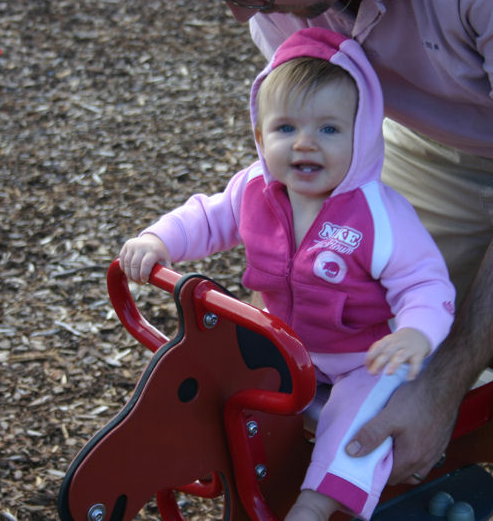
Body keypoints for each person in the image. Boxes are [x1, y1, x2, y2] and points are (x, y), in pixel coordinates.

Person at [174, 0, 493, 520]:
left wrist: (442, 385)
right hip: (435, 143)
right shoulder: (278, 1)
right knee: (318, 374)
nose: (241, 12)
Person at [120, 28, 455, 520]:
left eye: (329, 129)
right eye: (285, 128)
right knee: (215, 378)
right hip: (285, 345)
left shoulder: (378, 215)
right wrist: (159, 241)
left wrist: (415, 334)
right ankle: (190, 460)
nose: (305, 144)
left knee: (359, 418)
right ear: (260, 135)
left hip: (363, 357)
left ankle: (318, 504)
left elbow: (425, 283)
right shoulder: (255, 189)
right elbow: (208, 217)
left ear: (362, 136)